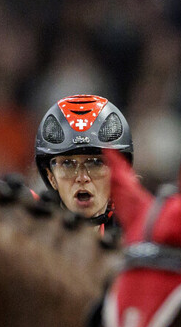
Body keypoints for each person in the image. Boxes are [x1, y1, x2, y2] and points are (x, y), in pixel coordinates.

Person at [35, 94, 132, 235]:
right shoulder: (25, 234)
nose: (82, 177)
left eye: (96, 163)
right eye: (68, 164)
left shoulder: (138, 239)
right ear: (51, 178)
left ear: (117, 176)